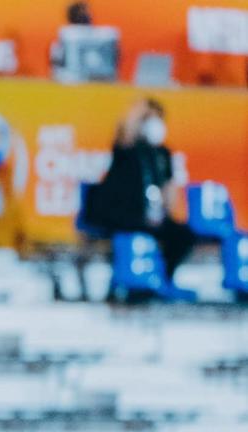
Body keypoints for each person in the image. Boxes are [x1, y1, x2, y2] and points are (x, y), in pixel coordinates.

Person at [84, 98, 196, 298]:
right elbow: (125, 130)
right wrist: (141, 110)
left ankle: (164, 280)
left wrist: (164, 213)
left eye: (157, 120)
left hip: (149, 215)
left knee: (182, 235)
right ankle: (129, 284)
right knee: (131, 228)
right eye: (149, 120)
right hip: (122, 213)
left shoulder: (163, 154)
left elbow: (169, 190)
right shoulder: (127, 148)